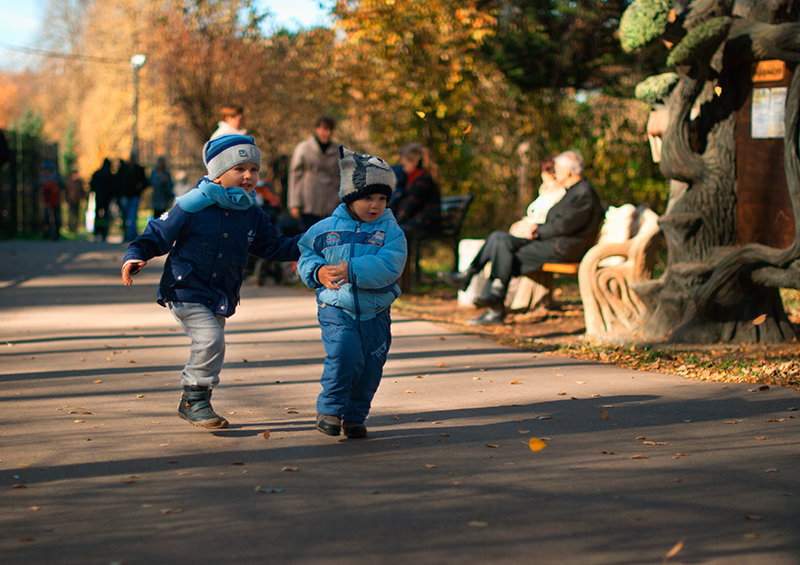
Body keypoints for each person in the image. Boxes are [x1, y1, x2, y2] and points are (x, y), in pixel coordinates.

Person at [121, 134, 301, 429]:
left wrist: (309, 242)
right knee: (211, 340)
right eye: (239, 168)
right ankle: (195, 401)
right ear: (218, 173)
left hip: (220, 293)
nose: (248, 176)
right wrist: (136, 254)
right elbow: (158, 232)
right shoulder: (193, 205)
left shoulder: (251, 212)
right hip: (185, 289)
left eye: (253, 169)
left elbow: (273, 246)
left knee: (213, 344)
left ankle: (195, 400)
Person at [296, 146, 407, 439]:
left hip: (376, 312)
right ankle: (330, 410)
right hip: (337, 308)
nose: (375, 205)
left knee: (371, 366)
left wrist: (353, 270)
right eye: (368, 197)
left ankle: (355, 416)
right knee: (345, 355)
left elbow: (391, 265)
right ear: (350, 197)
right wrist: (317, 272)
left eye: (382, 198)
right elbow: (306, 256)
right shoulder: (325, 229)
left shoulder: (391, 231)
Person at [440, 150, 603, 326]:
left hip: (563, 248)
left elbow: (564, 226)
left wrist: (535, 230)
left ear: (569, 171)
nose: (554, 173)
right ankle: (476, 281)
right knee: (498, 238)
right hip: (552, 242)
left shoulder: (583, 193)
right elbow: (559, 224)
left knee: (504, 253)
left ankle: (493, 302)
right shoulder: (573, 191)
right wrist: (536, 229)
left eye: (557, 169)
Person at [287, 116, 341, 231]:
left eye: (330, 130)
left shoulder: (338, 150)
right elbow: (295, 176)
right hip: (309, 201)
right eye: (324, 129)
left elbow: (343, 176)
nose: (327, 133)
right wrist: (294, 204)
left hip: (331, 202)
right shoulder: (304, 148)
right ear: (317, 129)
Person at [508, 155, 565, 238]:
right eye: (546, 170)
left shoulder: (561, 194)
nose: (549, 173)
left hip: (537, 236)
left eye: (552, 169)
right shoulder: (543, 193)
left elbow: (547, 221)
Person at [391, 142, 441, 235]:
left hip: (425, 223)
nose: (401, 164)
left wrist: (393, 223)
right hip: (420, 222)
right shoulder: (417, 178)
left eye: (403, 162)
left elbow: (409, 207)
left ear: (413, 162)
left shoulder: (422, 180)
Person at [116, 150, 148, 241]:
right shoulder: (123, 169)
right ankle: (128, 234)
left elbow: (145, 182)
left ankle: (131, 235)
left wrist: (140, 187)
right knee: (126, 216)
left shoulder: (139, 169)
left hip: (134, 195)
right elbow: (118, 181)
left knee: (132, 216)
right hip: (125, 195)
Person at [90, 158, 114, 242]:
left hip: (98, 197)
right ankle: (104, 232)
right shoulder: (109, 174)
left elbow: (92, 184)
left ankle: (97, 231)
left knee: (97, 215)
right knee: (105, 215)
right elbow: (112, 187)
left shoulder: (97, 173)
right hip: (106, 198)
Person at [39, 161, 64, 240]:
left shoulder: (56, 177)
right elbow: (39, 188)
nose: (46, 171)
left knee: (56, 216)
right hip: (46, 200)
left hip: (55, 200)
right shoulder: (42, 178)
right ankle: (47, 232)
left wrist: (56, 189)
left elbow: (61, 187)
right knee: (46, 217)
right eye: (45, 169)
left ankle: (57, 232)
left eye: (48, 169)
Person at [64, 169, 86, 234]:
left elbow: (82, 191)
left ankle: (76, 228)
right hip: (70, 201)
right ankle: (71, 228)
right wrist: (66, 199)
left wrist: (82, 198)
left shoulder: (79, 182)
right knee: (71, 215)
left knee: (76, 215)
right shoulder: (68, 182)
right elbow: (65, 191)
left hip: (77, 200)